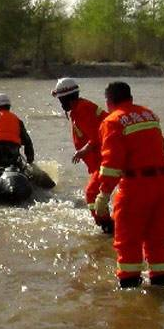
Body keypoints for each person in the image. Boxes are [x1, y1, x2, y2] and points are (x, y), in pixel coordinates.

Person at [94, 82, 164, 288]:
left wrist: (103, 194)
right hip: (163, 185)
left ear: (109, 101)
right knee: (158, 240)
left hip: (136, 186)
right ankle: (160, 284)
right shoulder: (149, 115)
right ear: (130, 97)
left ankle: (129, 290)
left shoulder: (112, 121)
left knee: (128, 240)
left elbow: (111, 164)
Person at [51, 77, 113, 233]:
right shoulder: (79, 108)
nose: (60, 103)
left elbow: (98, 135)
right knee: (94, 194)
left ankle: (107, 227)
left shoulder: (82, 109)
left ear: (67, 98)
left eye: (60, 99)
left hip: (104, 159)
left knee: (91, 194)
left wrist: (84, 150)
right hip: (98, 161)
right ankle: (107, 224)